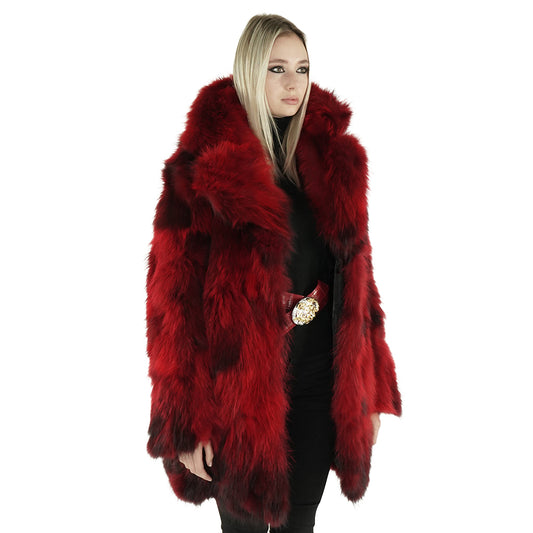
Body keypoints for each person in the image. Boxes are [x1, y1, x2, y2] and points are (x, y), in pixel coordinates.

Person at [146, 13, 402, 533]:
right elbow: (172, 303)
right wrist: (185, 420)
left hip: (317, 383)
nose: (293, 83)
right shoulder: (201, 170)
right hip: (236, 391)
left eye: (302, 69)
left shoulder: (332, 164)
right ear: (249, 71)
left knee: (300, 523)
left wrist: (369, 390)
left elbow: (361, 286)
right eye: (277, 68)